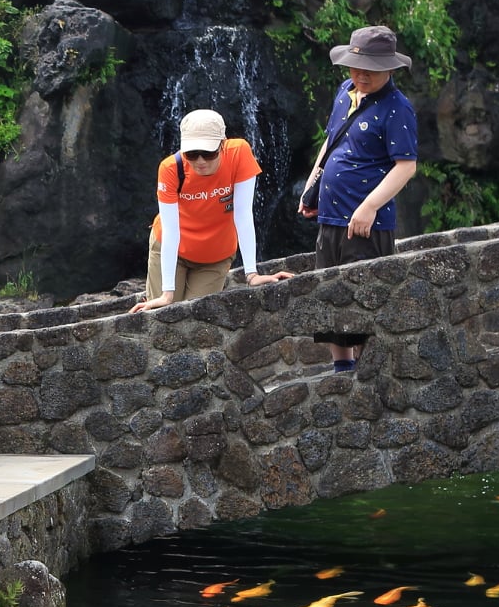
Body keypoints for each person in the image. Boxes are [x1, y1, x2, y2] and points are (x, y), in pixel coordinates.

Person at [297, 25, 421, 372]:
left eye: (372, 68)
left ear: (390, 69)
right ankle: (341, 368)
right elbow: (330, 141)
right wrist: (313, 187)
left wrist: (369, 207)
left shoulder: (398, 108)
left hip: (368, 222)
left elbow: (406, 166)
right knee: (330, 292)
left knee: (367, 298)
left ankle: (372, 374)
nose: (361, 74)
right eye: (356, 65)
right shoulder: (344, 91)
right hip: (331, 215)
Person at [131, 109, 291, 313]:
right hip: (172, 248)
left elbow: (242, 214)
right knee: (163, 314)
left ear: (222, 144)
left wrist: (252, 274)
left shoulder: (239, 153)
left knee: (195, 316)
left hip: (215, 255)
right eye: (191, 154)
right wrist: (167, 294)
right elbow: (171, 231)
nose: (200, 161)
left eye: (208, 153)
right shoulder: (170, 168)